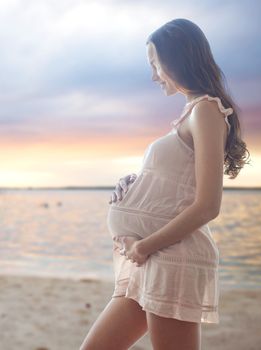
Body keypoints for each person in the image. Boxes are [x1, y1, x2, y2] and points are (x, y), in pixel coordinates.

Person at [80, 18, 250, 350]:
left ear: (177, 59)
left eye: (155, 64)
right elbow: (176, 186)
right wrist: (135, 186)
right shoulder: (191, 114)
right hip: (154, 259)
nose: (154, 74)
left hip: (171, 258)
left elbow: (208, 205)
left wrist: (144, 246)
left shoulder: (207, 111)